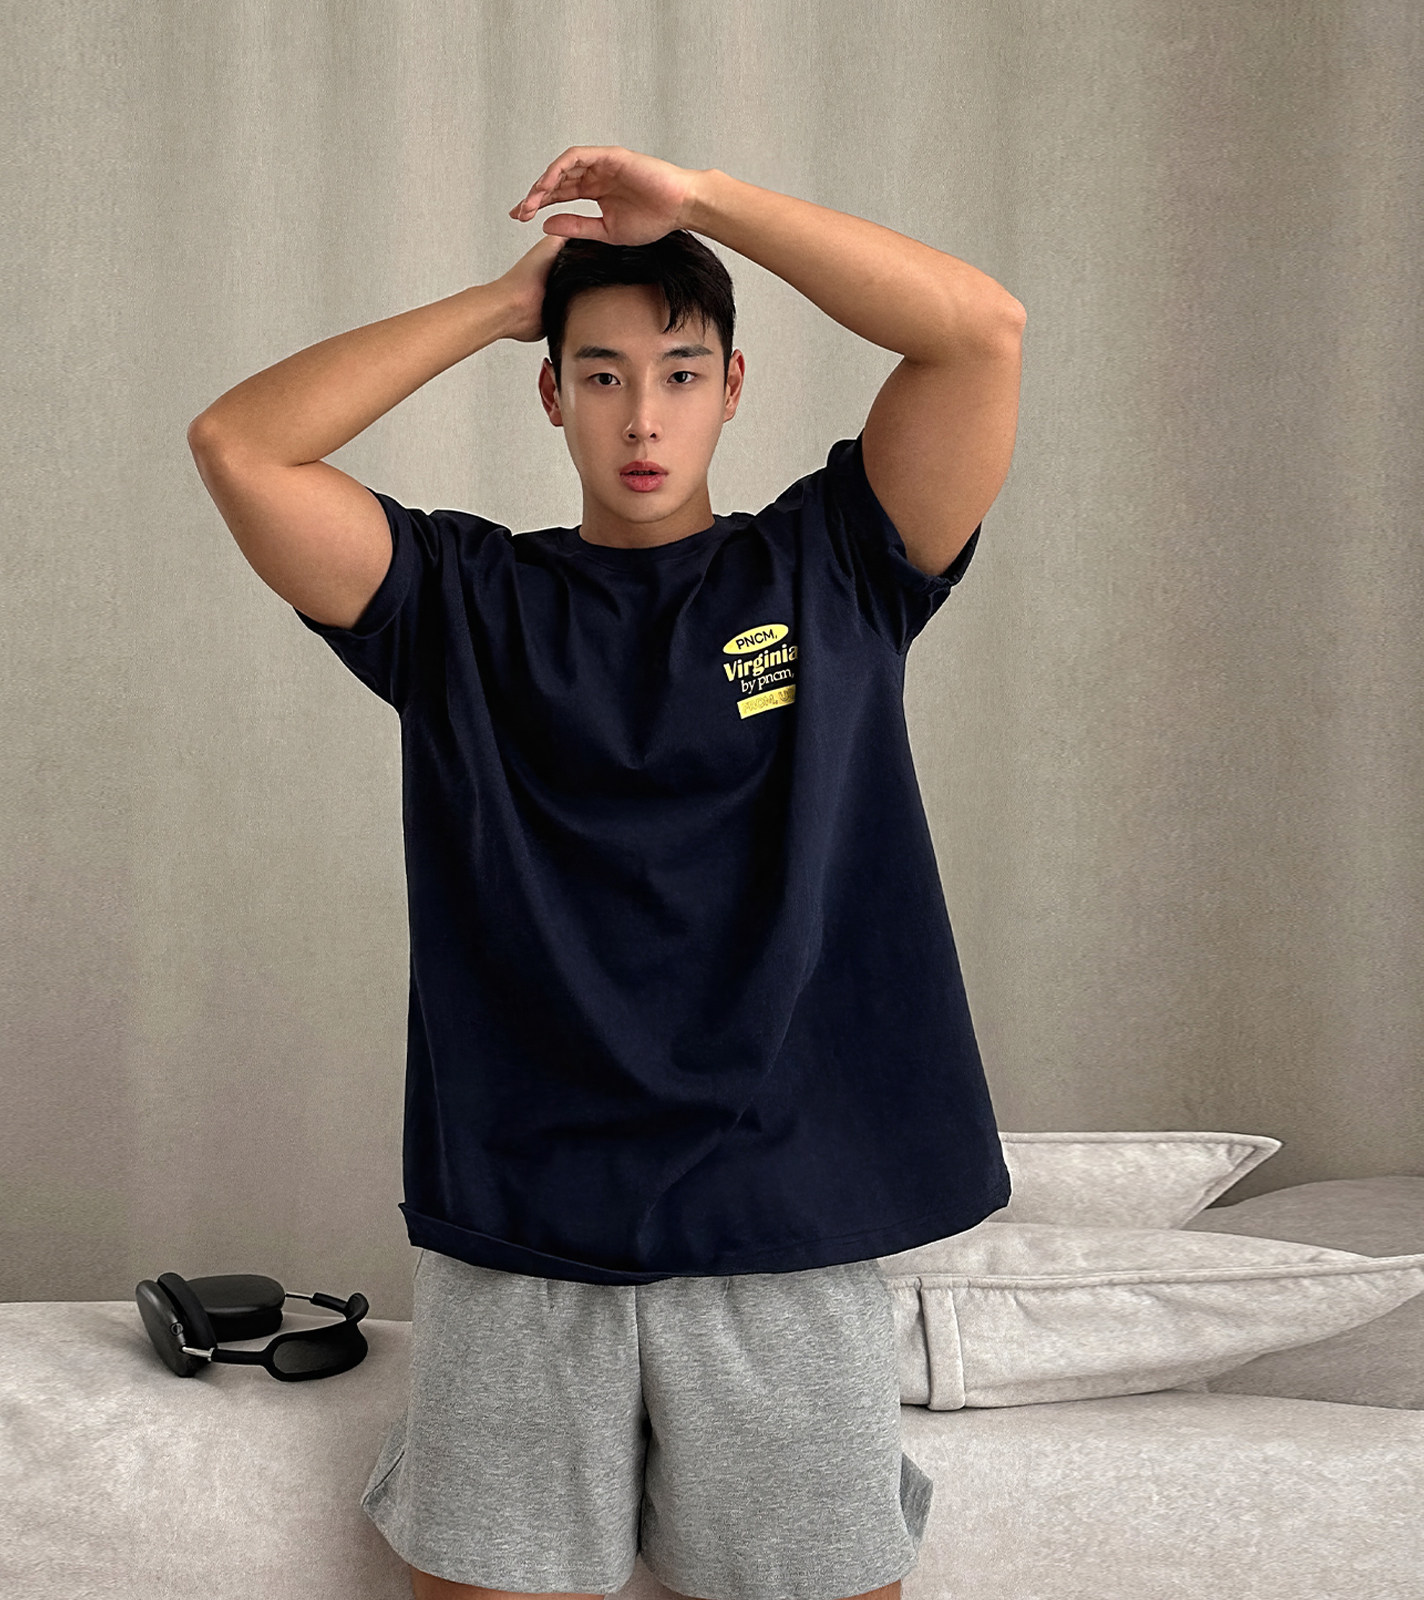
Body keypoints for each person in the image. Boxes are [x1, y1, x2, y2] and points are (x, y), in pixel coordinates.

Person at [187, 147, 1025, 1600]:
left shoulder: (832, 569)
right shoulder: (463, 605)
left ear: (735, 387)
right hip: (525, 1230)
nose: (644, 416)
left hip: (783, 1223)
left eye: (682, 374)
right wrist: (504, 299)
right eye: (602, 375)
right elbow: (239, 444)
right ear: (551, 393)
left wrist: (699, 202)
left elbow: (979, 332)